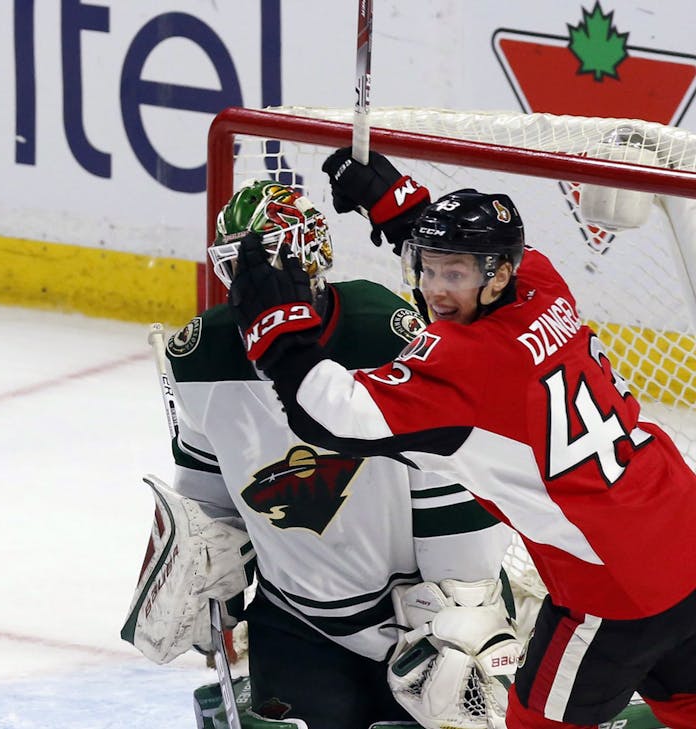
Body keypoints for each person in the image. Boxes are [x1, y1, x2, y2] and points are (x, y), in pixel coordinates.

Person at [227, 149, 696, 729]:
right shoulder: (542, 285)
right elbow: (462, 253)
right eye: (427, 268)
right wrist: (392, 200)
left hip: (616, 584)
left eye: (455, 275)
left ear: (498, 274)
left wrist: (277, 327)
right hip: (684, 527)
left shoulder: (468, 364)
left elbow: (330, 417)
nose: (435, 291)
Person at [121, 180, 519, 729]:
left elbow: (452, 481)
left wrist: (463, 608)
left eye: (265, 268)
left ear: (310, 263)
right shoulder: (202, 354)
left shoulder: (388, 335)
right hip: (297, 619)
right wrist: (206, 567)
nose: (247, 286)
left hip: (421, 620)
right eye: (233, 266)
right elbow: (210, 502)